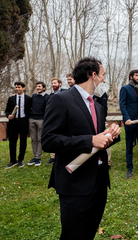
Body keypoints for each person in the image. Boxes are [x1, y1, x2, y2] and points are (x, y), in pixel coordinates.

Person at [41, 57, 121, 240]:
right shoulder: (61, 100)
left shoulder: (99, 107)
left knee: (89, 233)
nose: (104, 80)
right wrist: (90, 140)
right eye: (103, 75)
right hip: (74, 183)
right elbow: (49, 140)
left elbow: (99, 139)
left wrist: (111, 134)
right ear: (93, 75)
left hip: (99, 182)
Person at [119, 69, 138, 178]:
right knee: (129, 146)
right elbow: (122, 105)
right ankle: (129, 168)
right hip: (130, 122)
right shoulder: (125, 89)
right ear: (131, 77)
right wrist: (126, 118)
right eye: (136, 75)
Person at [5, 82, 32, 169]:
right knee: (12, 142)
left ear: (23, 88)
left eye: (19, 87)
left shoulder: (28, 98)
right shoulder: (11, 98)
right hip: (13, 122)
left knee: (23, 142)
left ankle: (20, 160)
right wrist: (8, 115)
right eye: (16, 87)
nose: (17, 89)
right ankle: (13, 161)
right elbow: (7, 110)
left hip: (24, 121)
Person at [27, 81, 49, 167]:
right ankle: (35, 156)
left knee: (40, 139)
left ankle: (38, 158)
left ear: (43, 88)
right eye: (37, 86)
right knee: (33, 139)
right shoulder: (34, 96)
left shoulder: (47, 97)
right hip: (32, 119)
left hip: (41, 120)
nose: (37, 88)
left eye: (39, 86)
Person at [46, 77, 67, 165]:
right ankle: (53, 157)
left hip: (64, 118)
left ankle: (63, 154)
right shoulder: (51, 95)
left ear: (60, 84)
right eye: (52, 83)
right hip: (54, 118)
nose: (53, 85)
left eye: (55, 83)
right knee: (54, 136)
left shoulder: (65, 92)